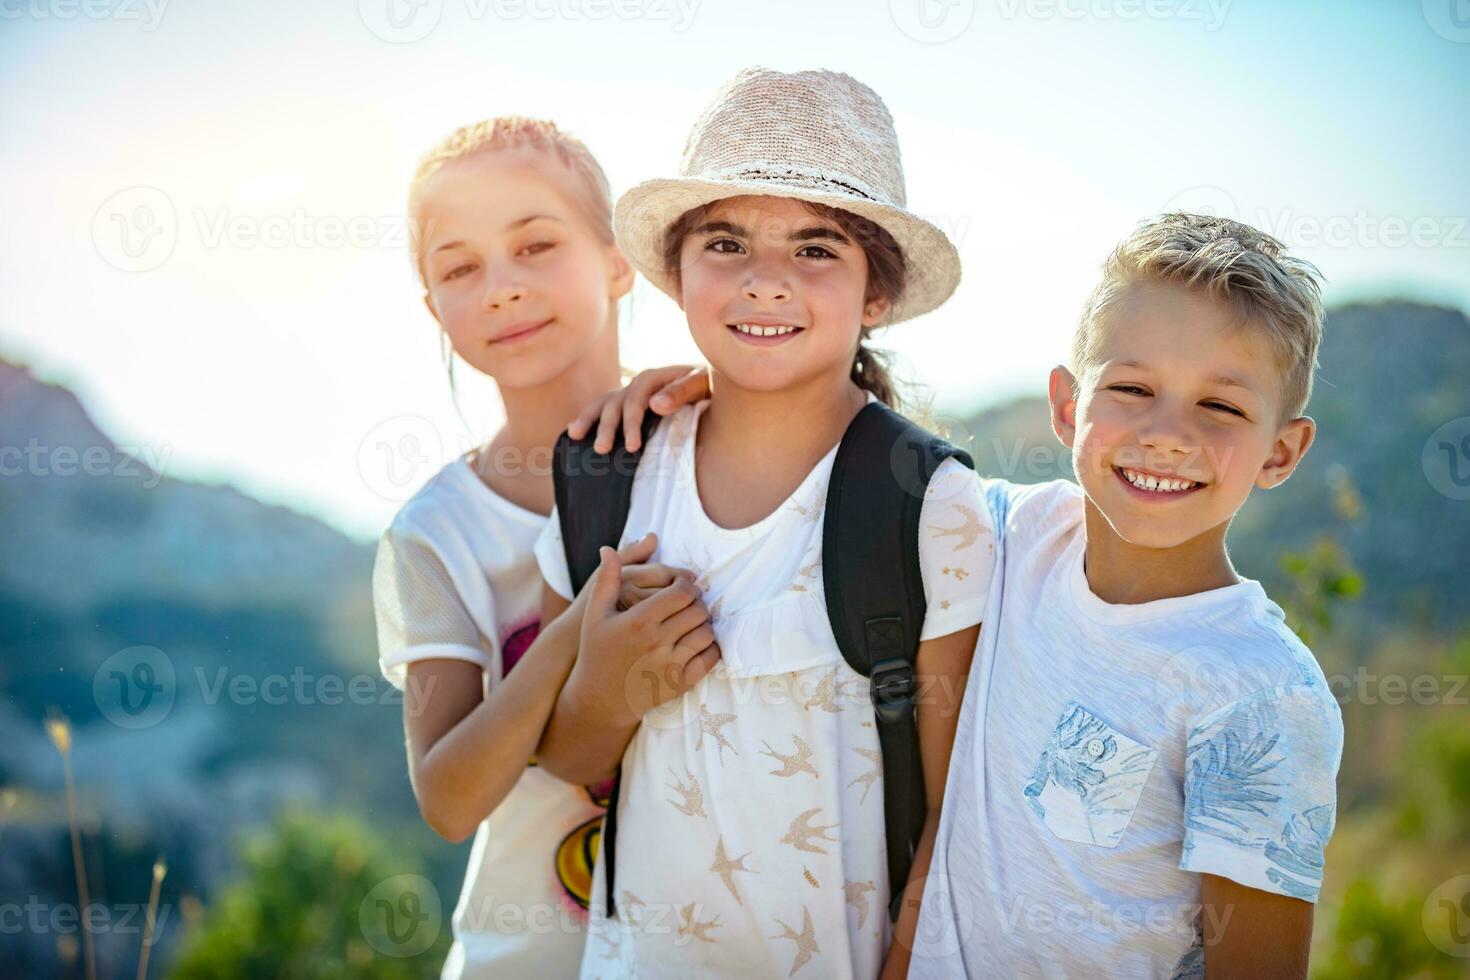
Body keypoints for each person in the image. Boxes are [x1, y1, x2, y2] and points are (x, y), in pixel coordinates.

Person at [531, 67, 995, 979]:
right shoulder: (613, 474)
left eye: (817, 249)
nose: (768, 283)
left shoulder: (930, 505)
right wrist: (616, 686)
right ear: (676, 275)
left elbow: (956, 815)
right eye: (727, 243)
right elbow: (565, 757)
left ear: (876, 298)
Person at [907, 213, 1345, 978]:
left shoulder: (1261, 695)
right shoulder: (1011, 533)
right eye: (1133, 388)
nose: (1167, 433)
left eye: (1222, 407)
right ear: (1069, 406)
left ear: (1281, 450)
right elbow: (848, 447)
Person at [370, 116, 715, 977]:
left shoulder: (707, 441)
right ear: (432, 308)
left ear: (616, 259)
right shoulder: (437, 531)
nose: (501, 288)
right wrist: (576, 626)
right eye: (460, 267)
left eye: (535, 245)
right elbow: (449, 799)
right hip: (524, 958)